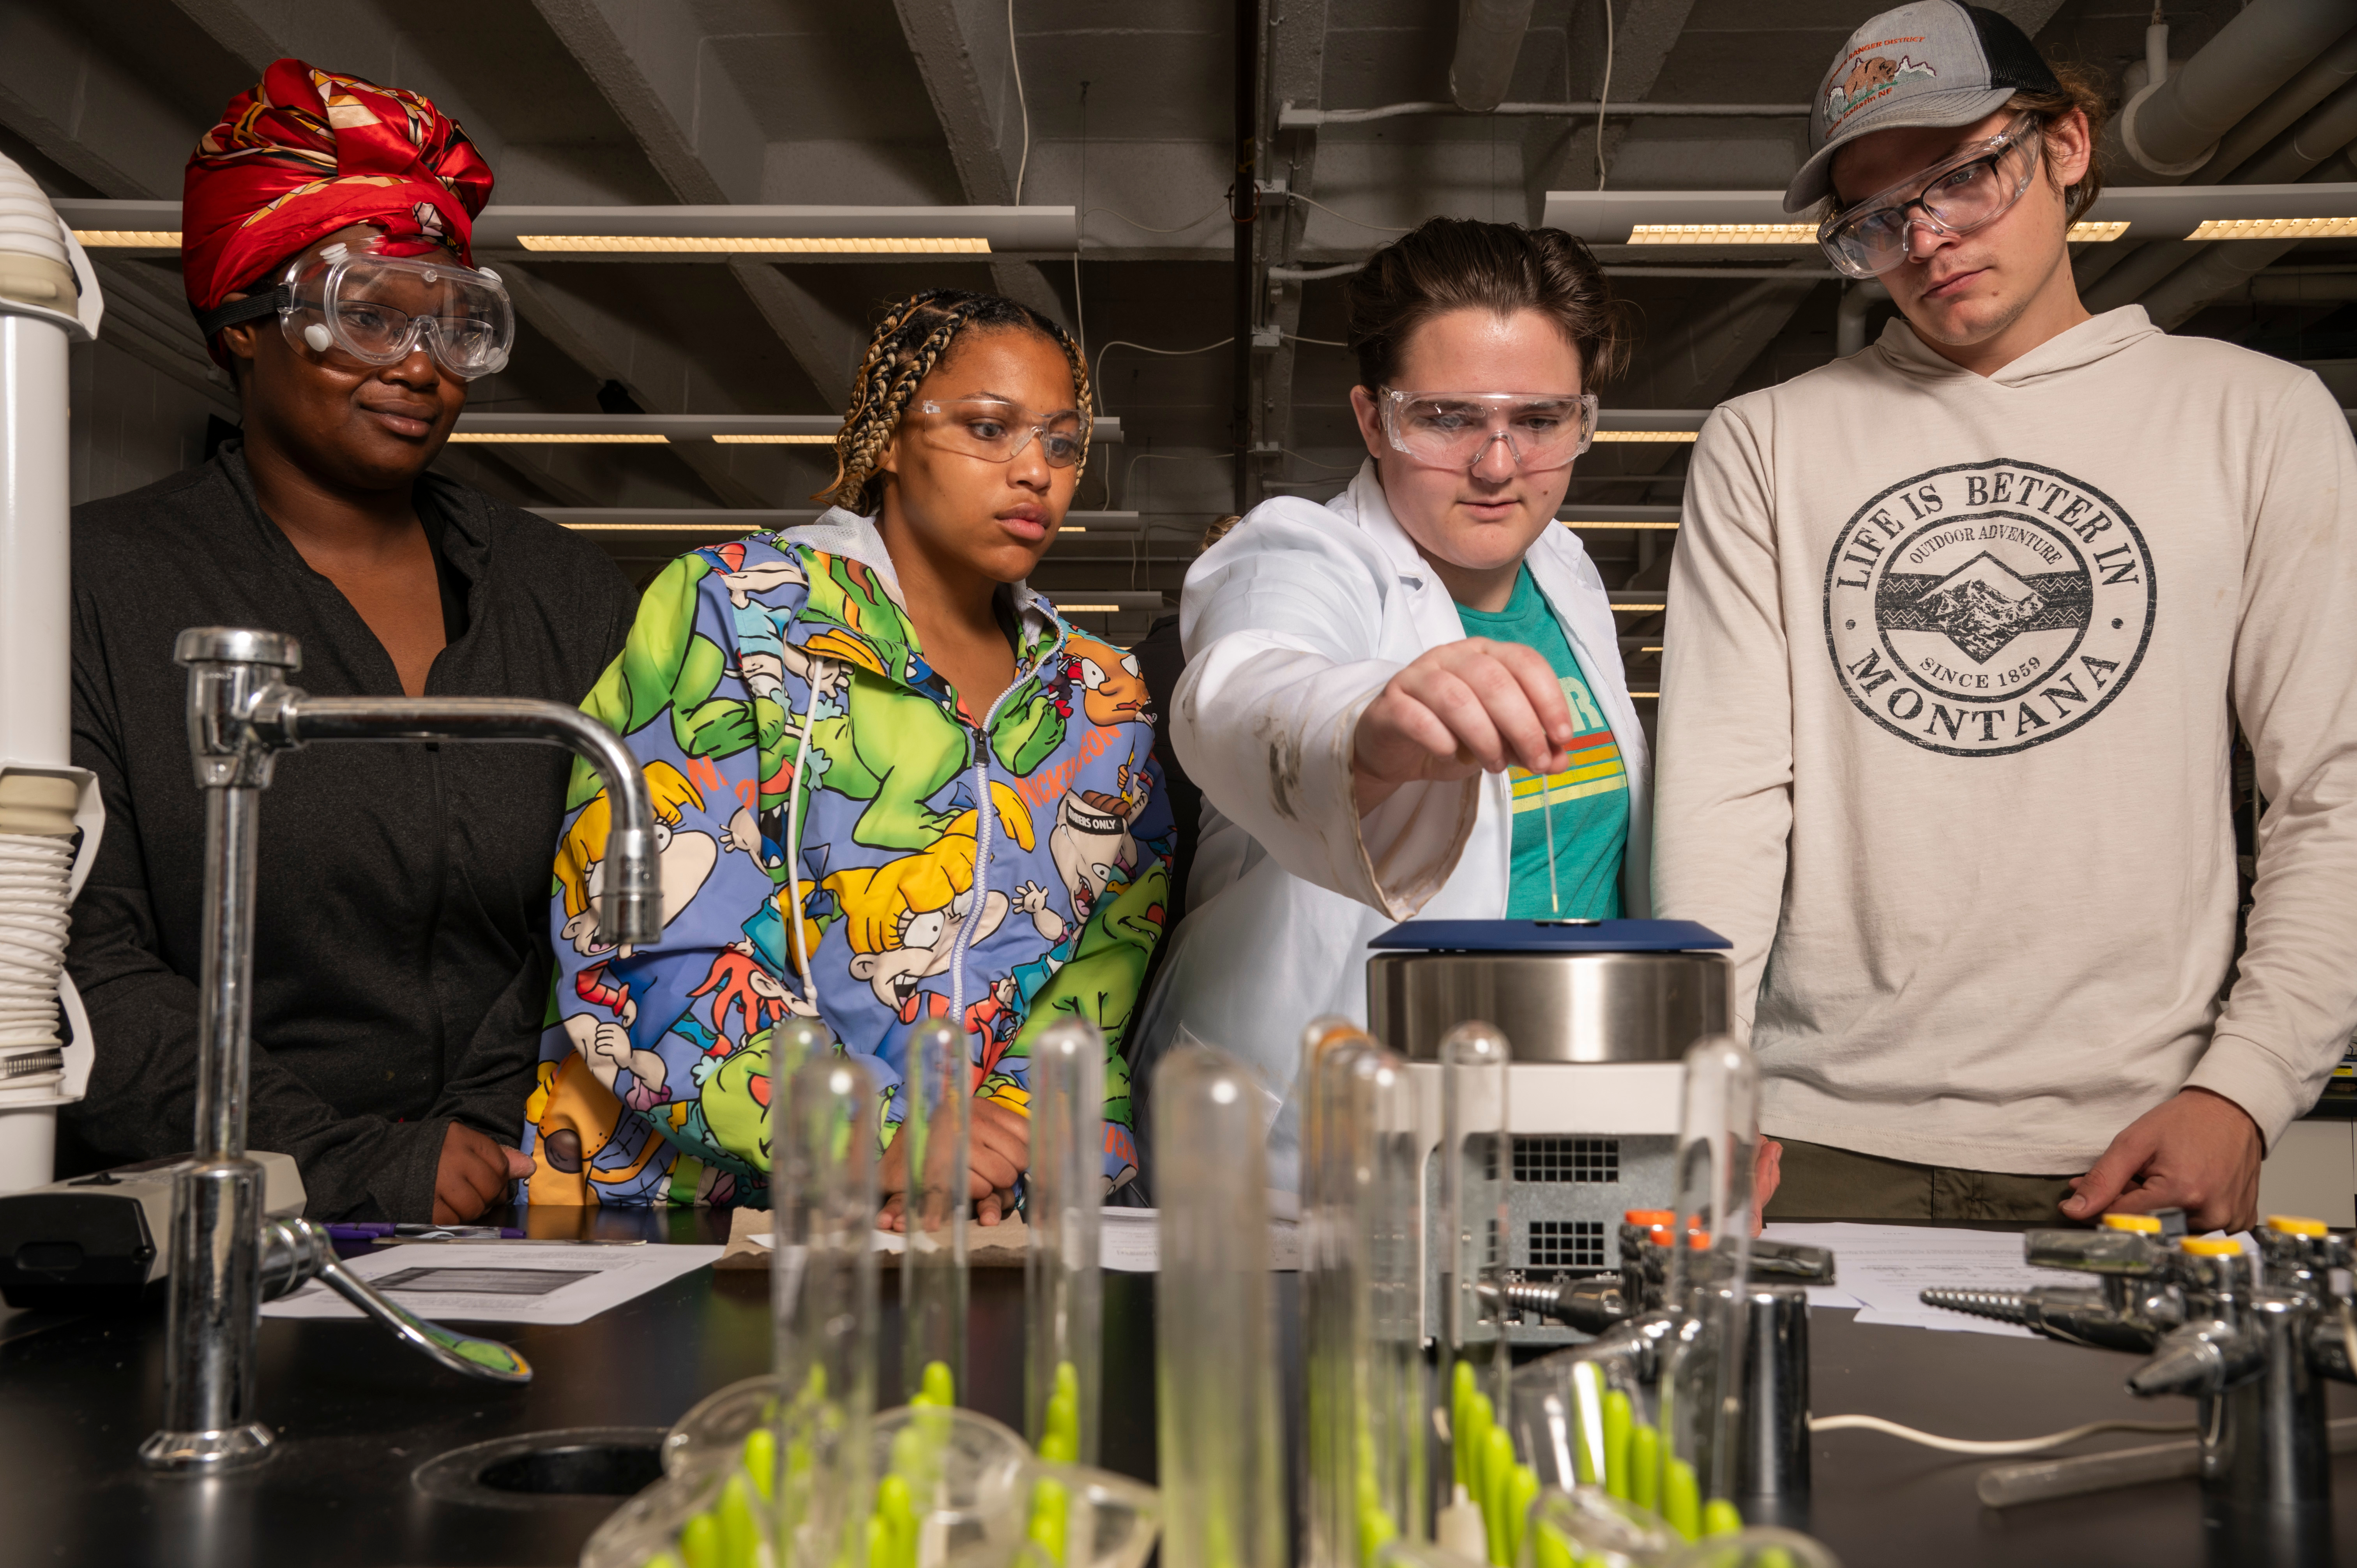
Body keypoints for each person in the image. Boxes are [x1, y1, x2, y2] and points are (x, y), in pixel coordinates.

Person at [1655, 1, 2357, 1232]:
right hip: (1812, 1139)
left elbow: (2333, 789)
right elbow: (1724, 799)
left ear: (2068, 145)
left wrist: (2243, 1093)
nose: (1926, 238)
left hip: (2138, 1137)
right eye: (1876, 218)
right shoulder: (1767, 442)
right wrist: (1702, 1084)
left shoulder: (2258, 419)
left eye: (1963, 177)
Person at [62, 61, 634, 1222]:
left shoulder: (565, 590)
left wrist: (486, 1119)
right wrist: (338, 1161)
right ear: (243, 325)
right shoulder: (92, 583)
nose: (421, 369)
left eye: (454, 325)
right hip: (200, 1219)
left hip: (534, 1201)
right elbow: (76, 951)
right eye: (367, 316)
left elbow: (610, 905)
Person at [523, 290, 1171, 1217]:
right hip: (690, 1218)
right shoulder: (740, 611)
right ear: (890, 440)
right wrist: (882, 1138)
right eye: (992, 429)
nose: (1037, 471)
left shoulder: (1099, 704)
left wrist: (1000, 1160)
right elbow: (640, 936)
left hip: (976, 1223)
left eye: (1062, 443)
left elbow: (1088, 991)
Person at [1134, 218, 1648, 1189]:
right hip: (1326, 1137)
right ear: (1374, 420)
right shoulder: (1301, 551)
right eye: (1449, 418)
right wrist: (1370, 715)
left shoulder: (1569, 571)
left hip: (1566, 1131)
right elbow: (1242, 686)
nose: (1500, 464)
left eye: (1540, 420)